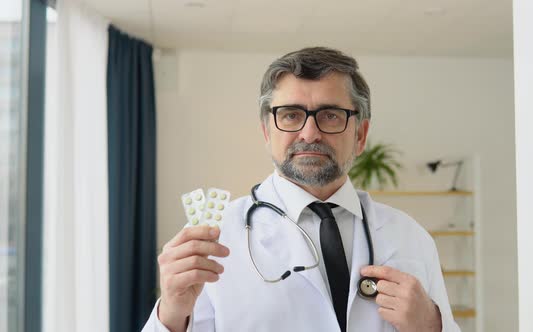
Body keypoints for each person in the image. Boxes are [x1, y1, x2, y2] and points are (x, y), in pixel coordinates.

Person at [142, 47, 460, 332]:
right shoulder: (214, 237)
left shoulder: (410, 237)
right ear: (267, 131)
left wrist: (431, 326)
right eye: (291, 115)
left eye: (330, 115)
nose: (310, 133)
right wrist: (171, 312)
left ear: (361, 135)